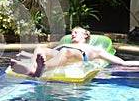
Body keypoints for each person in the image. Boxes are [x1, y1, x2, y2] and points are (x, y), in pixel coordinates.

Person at [10, 26, 139, 77]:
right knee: (40, 48)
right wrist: (27, 55)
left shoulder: (96, 49)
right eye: (71, 33)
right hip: (62, 54)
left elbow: (122, 63)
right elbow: (46, 54)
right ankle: (32, 69)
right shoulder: (65, 44)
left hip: (78, 55)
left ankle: (40, 70)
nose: (72, 35)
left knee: (66, 51)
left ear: (85, 35)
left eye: (76, 33)